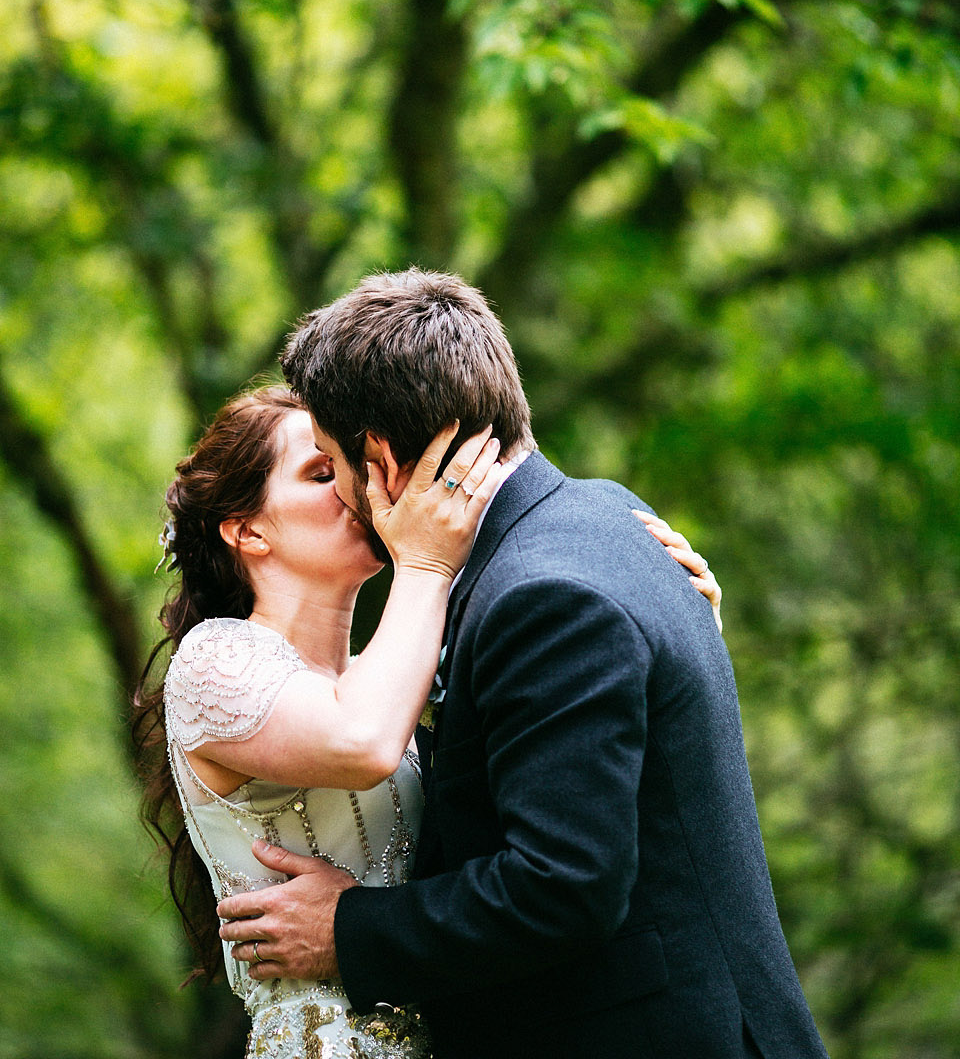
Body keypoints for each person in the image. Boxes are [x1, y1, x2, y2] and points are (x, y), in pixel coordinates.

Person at [216, 269, 830, 1059]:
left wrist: (349, 930)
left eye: (332, 466)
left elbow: (562, 887)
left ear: (383, 462)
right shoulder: (607, 517)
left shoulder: (542, 598)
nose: (339, 495)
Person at [135, 383, 718, 1059]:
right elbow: (363, 741)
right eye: (321, 472)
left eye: (352, 463)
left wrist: (663, 613)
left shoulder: (382, 677)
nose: (359, 487)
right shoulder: (215, 660)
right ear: (247, 529)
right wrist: (426, 560)